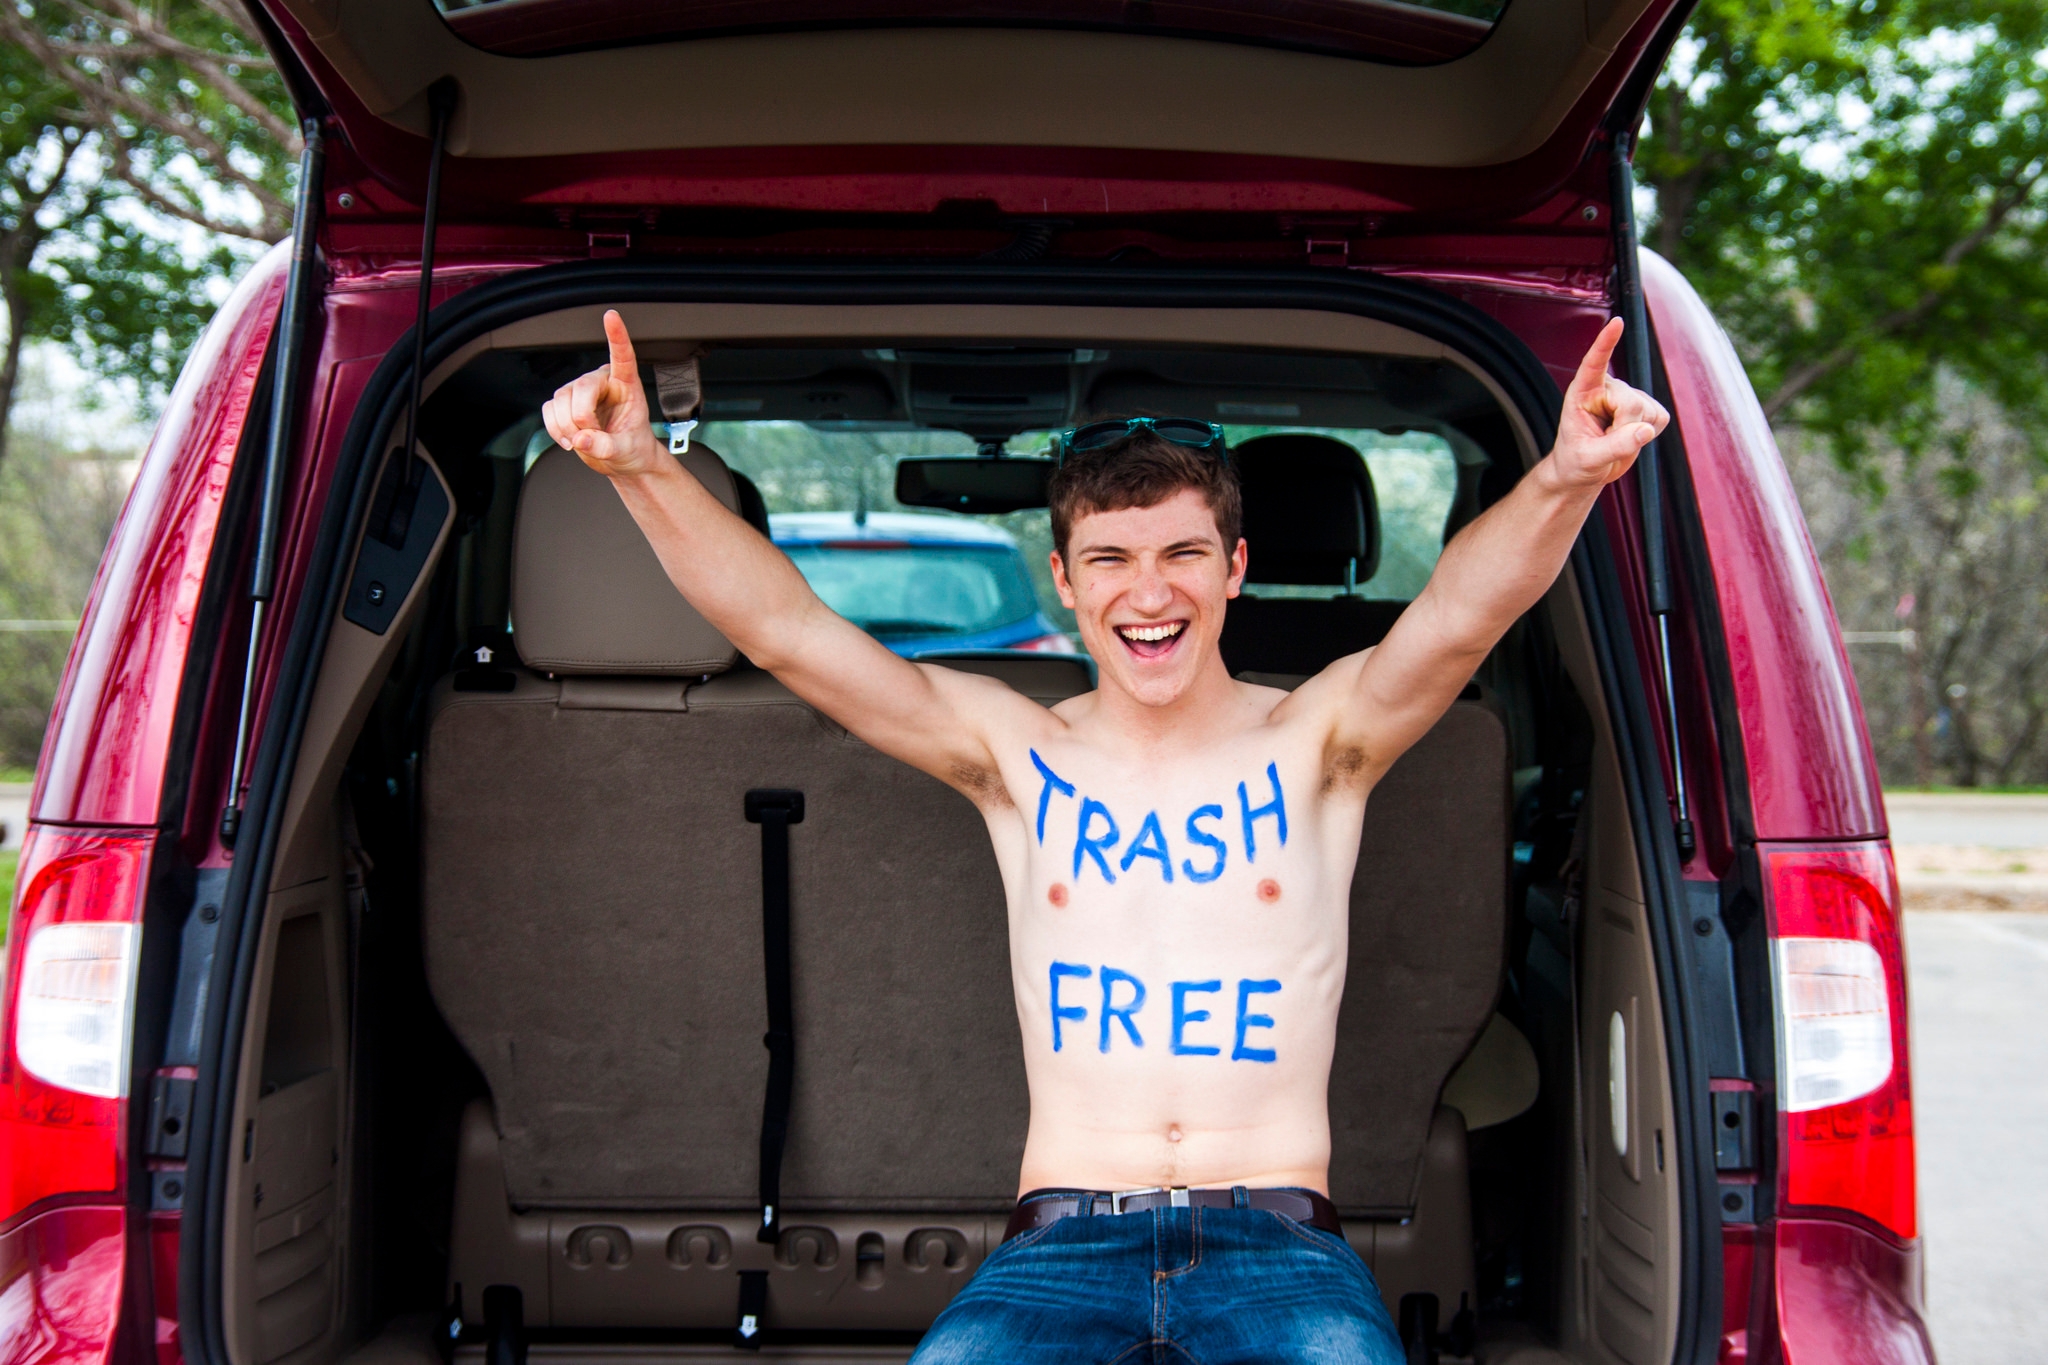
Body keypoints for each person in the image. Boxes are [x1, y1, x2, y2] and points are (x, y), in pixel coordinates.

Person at [540, 312, 1668, 1363]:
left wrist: (1567, 476)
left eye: (1181, 553)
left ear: (1232, 567)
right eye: (1110, 561)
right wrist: (641, 468)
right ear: (1065, 583)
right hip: (1057, 1248)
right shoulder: (1014, 757)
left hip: (1278, 1246)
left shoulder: (1320, 740)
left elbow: (1462, 612)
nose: (1149, 593)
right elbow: (787, 631)